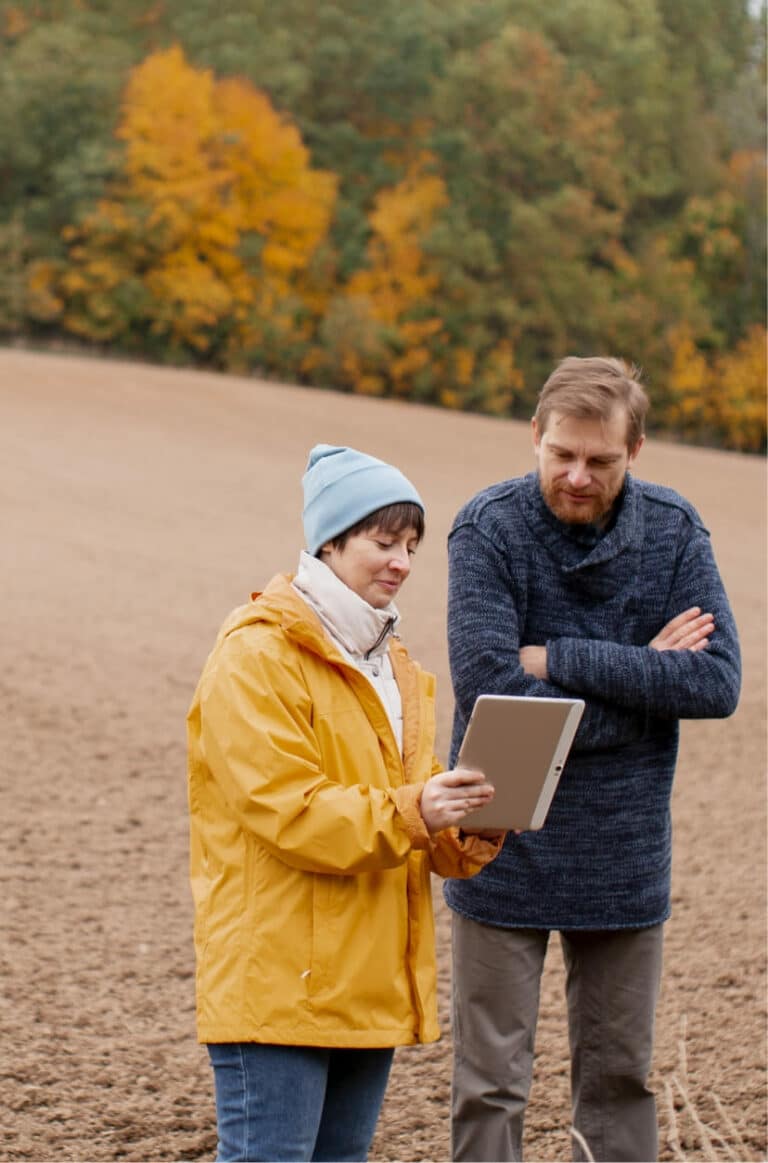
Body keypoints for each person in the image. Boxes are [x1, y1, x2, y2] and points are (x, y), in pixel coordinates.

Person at [444, 356, 741, 1163]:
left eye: (600, 461)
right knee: (489, 1082)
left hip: (624, 848)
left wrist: (560, 658)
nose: (576, 475)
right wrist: (644, 680)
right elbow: (490, 690)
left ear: (635, 451)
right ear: (535, 436)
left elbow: (716, 683)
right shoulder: (487, 529)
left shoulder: (674, 531)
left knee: (618, 1081)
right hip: (499, 836)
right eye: (561, 454)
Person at [187, 443, 504, 1163]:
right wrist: (417, 806)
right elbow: (289, 810)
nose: (400, 561)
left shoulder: (394, 665)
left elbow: (410, 807)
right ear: (328, 539)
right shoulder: (256, 655)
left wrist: (472, 821)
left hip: (366, 983)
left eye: (412, 546)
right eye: (382, 540)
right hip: (279, 982)